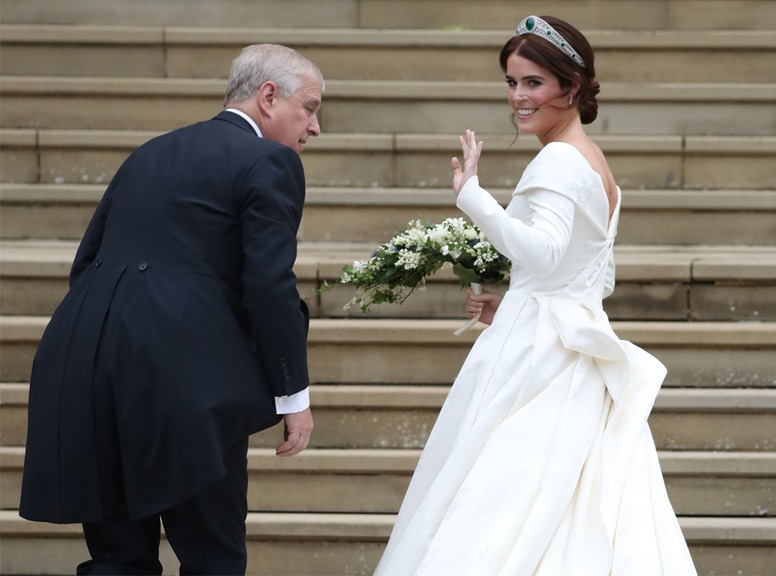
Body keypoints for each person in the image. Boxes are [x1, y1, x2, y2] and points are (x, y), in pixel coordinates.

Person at [374, 16, 697, 575]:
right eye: (511, 82)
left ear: (571, 87)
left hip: (540, 359)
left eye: (533, 83)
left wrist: (472, 197)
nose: (518, 97)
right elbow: (591, 274)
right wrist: (522, 298)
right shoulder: (594, 161)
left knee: (502, 497)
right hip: (570, 343)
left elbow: (544, 253)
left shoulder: (558, 159)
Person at [19, 44, 323, 575]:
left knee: (118, 557)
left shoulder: (150, 152)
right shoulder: (271, 161)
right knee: (213, 555)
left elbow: (87, 262)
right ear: (268, 97)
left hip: (87, 363)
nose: (315, 128)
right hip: (188, 378)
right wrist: (292, 392)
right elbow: (268, 285)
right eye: (312, 108)